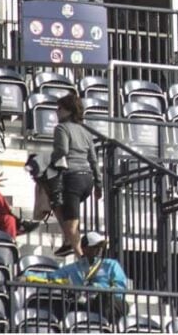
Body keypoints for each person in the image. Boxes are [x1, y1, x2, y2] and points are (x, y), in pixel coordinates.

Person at [24, 232, 129, 321]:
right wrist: (27, 277)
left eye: (101, 247)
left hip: (111, 304)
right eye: (95, 247)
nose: (99, 250)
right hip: (86, 305)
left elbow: (120, 288)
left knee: (106, 301)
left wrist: (100, 290)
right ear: (84, 249)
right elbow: (50, 277)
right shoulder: (73, 268)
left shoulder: (111, 265)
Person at [48, 94, 102, 257]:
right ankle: (68, 242)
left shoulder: (61, 128)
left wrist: (50, 161)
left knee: (71, 225)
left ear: (69, 111)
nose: (56, 112)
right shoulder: (85, 131)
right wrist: (99, 184)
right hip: (87, 180)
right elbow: (93, 159)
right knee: (57, 203)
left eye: (60, 108)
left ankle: (81, 260)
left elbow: (62, 150)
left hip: (72, 178)